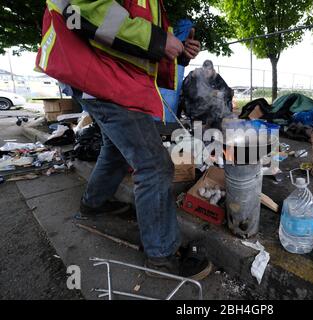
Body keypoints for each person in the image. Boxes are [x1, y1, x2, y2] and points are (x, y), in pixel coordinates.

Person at [36, 0, 211, 280]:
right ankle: (162, 257)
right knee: (154, 166)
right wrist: (158, 39)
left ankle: (93, 204)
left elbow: (137, 46)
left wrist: (178, 53)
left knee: (116, 148)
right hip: (103, 80)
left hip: (107, 79)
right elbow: (84, 9)